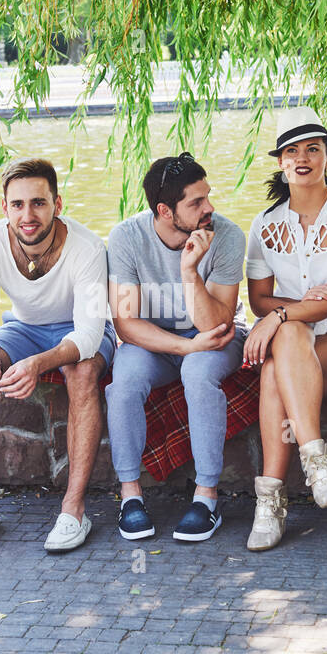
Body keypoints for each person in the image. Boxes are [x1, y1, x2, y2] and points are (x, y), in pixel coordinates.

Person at [0, 157, 114, 552]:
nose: (28, 215)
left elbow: (91, 334)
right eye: (18, 204)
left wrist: (38, 364)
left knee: (81, 373)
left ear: (57, 205)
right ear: (4, 207)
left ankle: (73, 510)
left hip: (80, 330)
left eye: (39, 203)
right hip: (23, 328)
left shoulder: (89, 247)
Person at [243, 107, 327, 551]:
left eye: (313, 149)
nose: (303, 158)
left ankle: (272, 502)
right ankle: (315, 464)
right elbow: (257, 299)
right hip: (294, 341)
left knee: (282, 345)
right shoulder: (264, 225)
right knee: (284, 349)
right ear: (280, 162)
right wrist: (293, 312)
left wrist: (281, 315)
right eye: (292, 151)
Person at [106, 153, 247, 541]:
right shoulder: (126, 238)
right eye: (196, 203)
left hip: (215, 337)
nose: (209, 208)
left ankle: (206, 498)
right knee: (125, 379)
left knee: (199, 372)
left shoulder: (228, 236)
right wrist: (184, 348)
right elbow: (126, 324)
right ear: (165, 211)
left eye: (208, 196)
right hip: (152, 340)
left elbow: (215, 325)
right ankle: (130, 496)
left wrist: (189, 272)